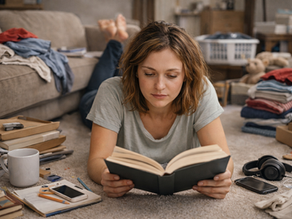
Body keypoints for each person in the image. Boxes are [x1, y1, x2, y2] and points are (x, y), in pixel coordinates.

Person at [82, 15, 234, 199]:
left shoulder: (200, 89)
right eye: (149, 73)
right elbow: (96, 161)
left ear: (187, 74)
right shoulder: (111, 92)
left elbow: (224, 159)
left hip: (131, 88)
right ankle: (114, 41)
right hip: (98, 99)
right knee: (93, 90)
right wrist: (106, 176)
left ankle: (113, 38)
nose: (160, 86)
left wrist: (222, 177)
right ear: (136, 70)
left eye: (171, 75)